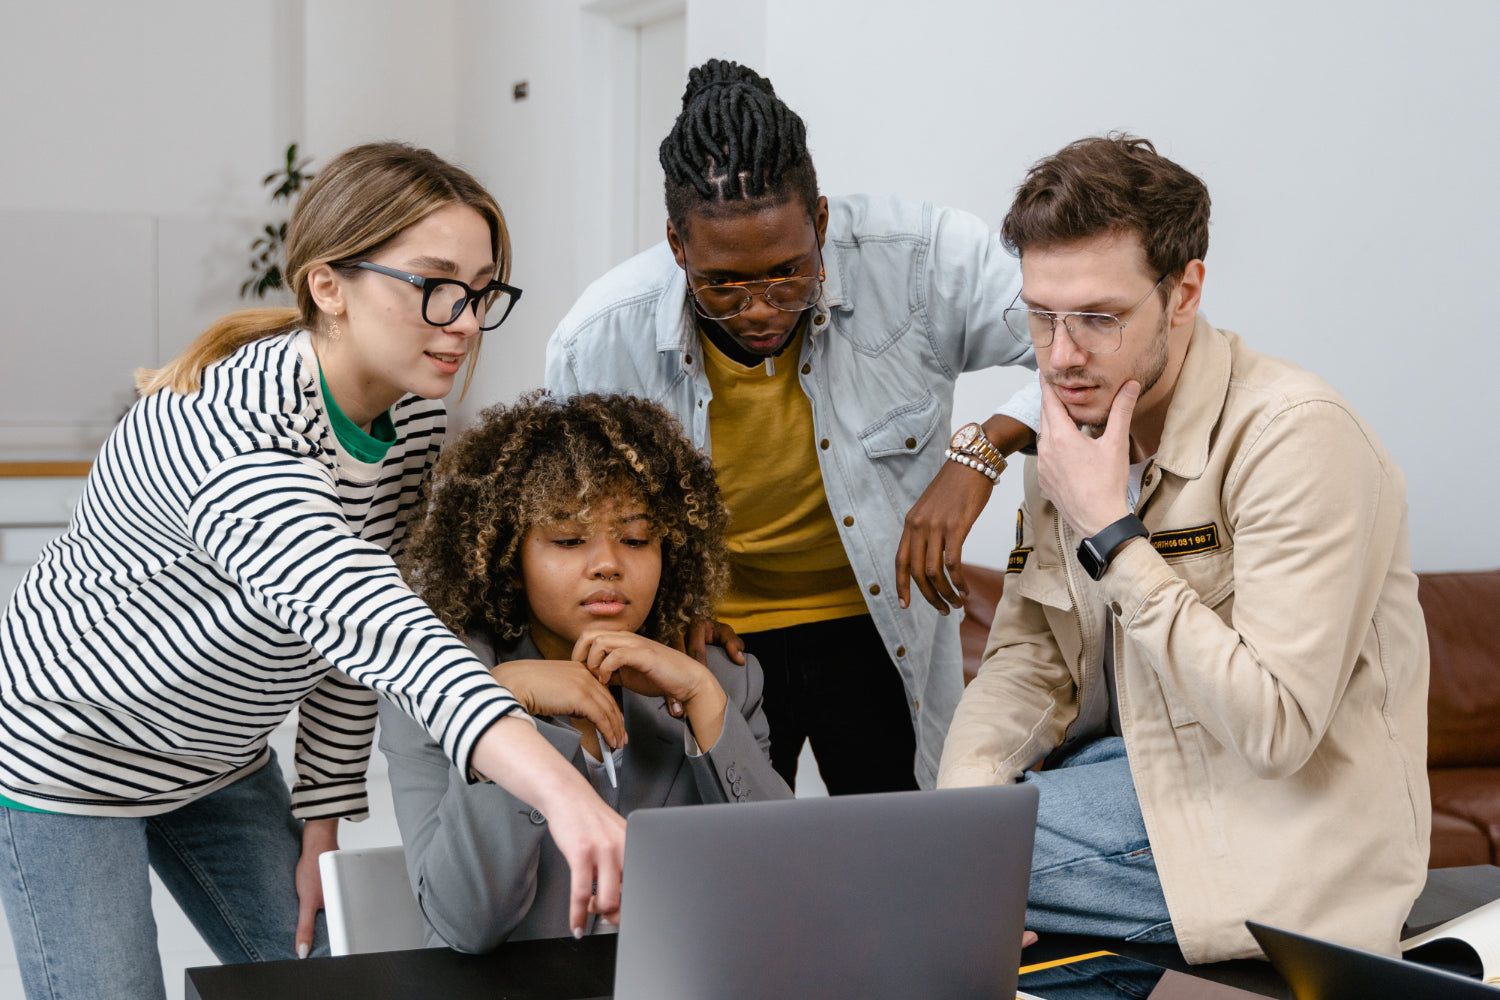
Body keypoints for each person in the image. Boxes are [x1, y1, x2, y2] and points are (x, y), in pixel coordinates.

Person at [0, 142, 624, 999]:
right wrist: (565, 793)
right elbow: (377, 623)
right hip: (71, 752)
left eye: (482, 291)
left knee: (334, 976)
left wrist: (319, 819)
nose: (467, 319)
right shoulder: (231, 435)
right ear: (328, 285)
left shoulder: (405, 426)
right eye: (437, 285)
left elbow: (344, 647)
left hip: (217, 756)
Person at [937, 135, 1429, 963]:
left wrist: (1111, 531)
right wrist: (959, 826)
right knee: (925, 862)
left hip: (1282, 828)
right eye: (1041, 315)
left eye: (1100, 317)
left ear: (1185, 291)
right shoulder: (1073, 428)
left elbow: (1275, 731)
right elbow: (1028, 663)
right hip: (1130, 781)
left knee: (893, 883)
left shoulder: (1296, 436)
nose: (1060, 357)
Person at [546, 59, 1041, 793]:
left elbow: (1088, 342)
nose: (760, 308)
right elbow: (574, 520)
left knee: (899, 853)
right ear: (679, 248)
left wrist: (983, 449)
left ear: (821, 221)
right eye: (722, 283)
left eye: (788, 272)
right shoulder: (598, 339)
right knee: (737, 866)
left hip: (881, 627)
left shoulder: (921, 259)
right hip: (719, 640)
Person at [380, 391, 791, 950]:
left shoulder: (721, 675)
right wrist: (507, 704)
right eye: (569, 540)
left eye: (636, 539)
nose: (607, 564)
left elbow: (784, 888)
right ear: (508, 552)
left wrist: (703, 698)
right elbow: (466, 925)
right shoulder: (438, 681)